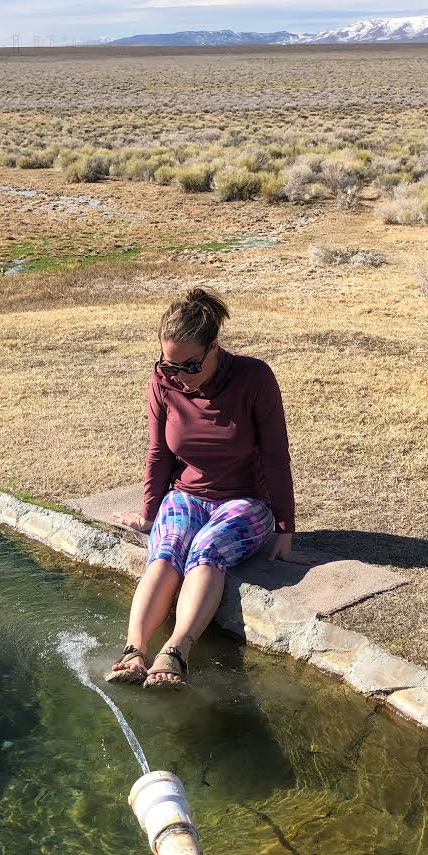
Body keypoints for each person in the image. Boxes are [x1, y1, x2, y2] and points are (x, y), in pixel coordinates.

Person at [106, 286, 316, 690]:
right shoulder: (162, 380)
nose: (179, 377)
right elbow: (158, 452)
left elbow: (275, 457)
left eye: (190, 365)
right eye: (170, 366)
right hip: (186, 495)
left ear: (214, 347)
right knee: (165, 551)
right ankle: (134, 649)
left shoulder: (254, 377)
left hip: (246, 503)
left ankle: (177, 650)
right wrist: (150, 515)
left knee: (206, 550)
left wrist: (284, 534)